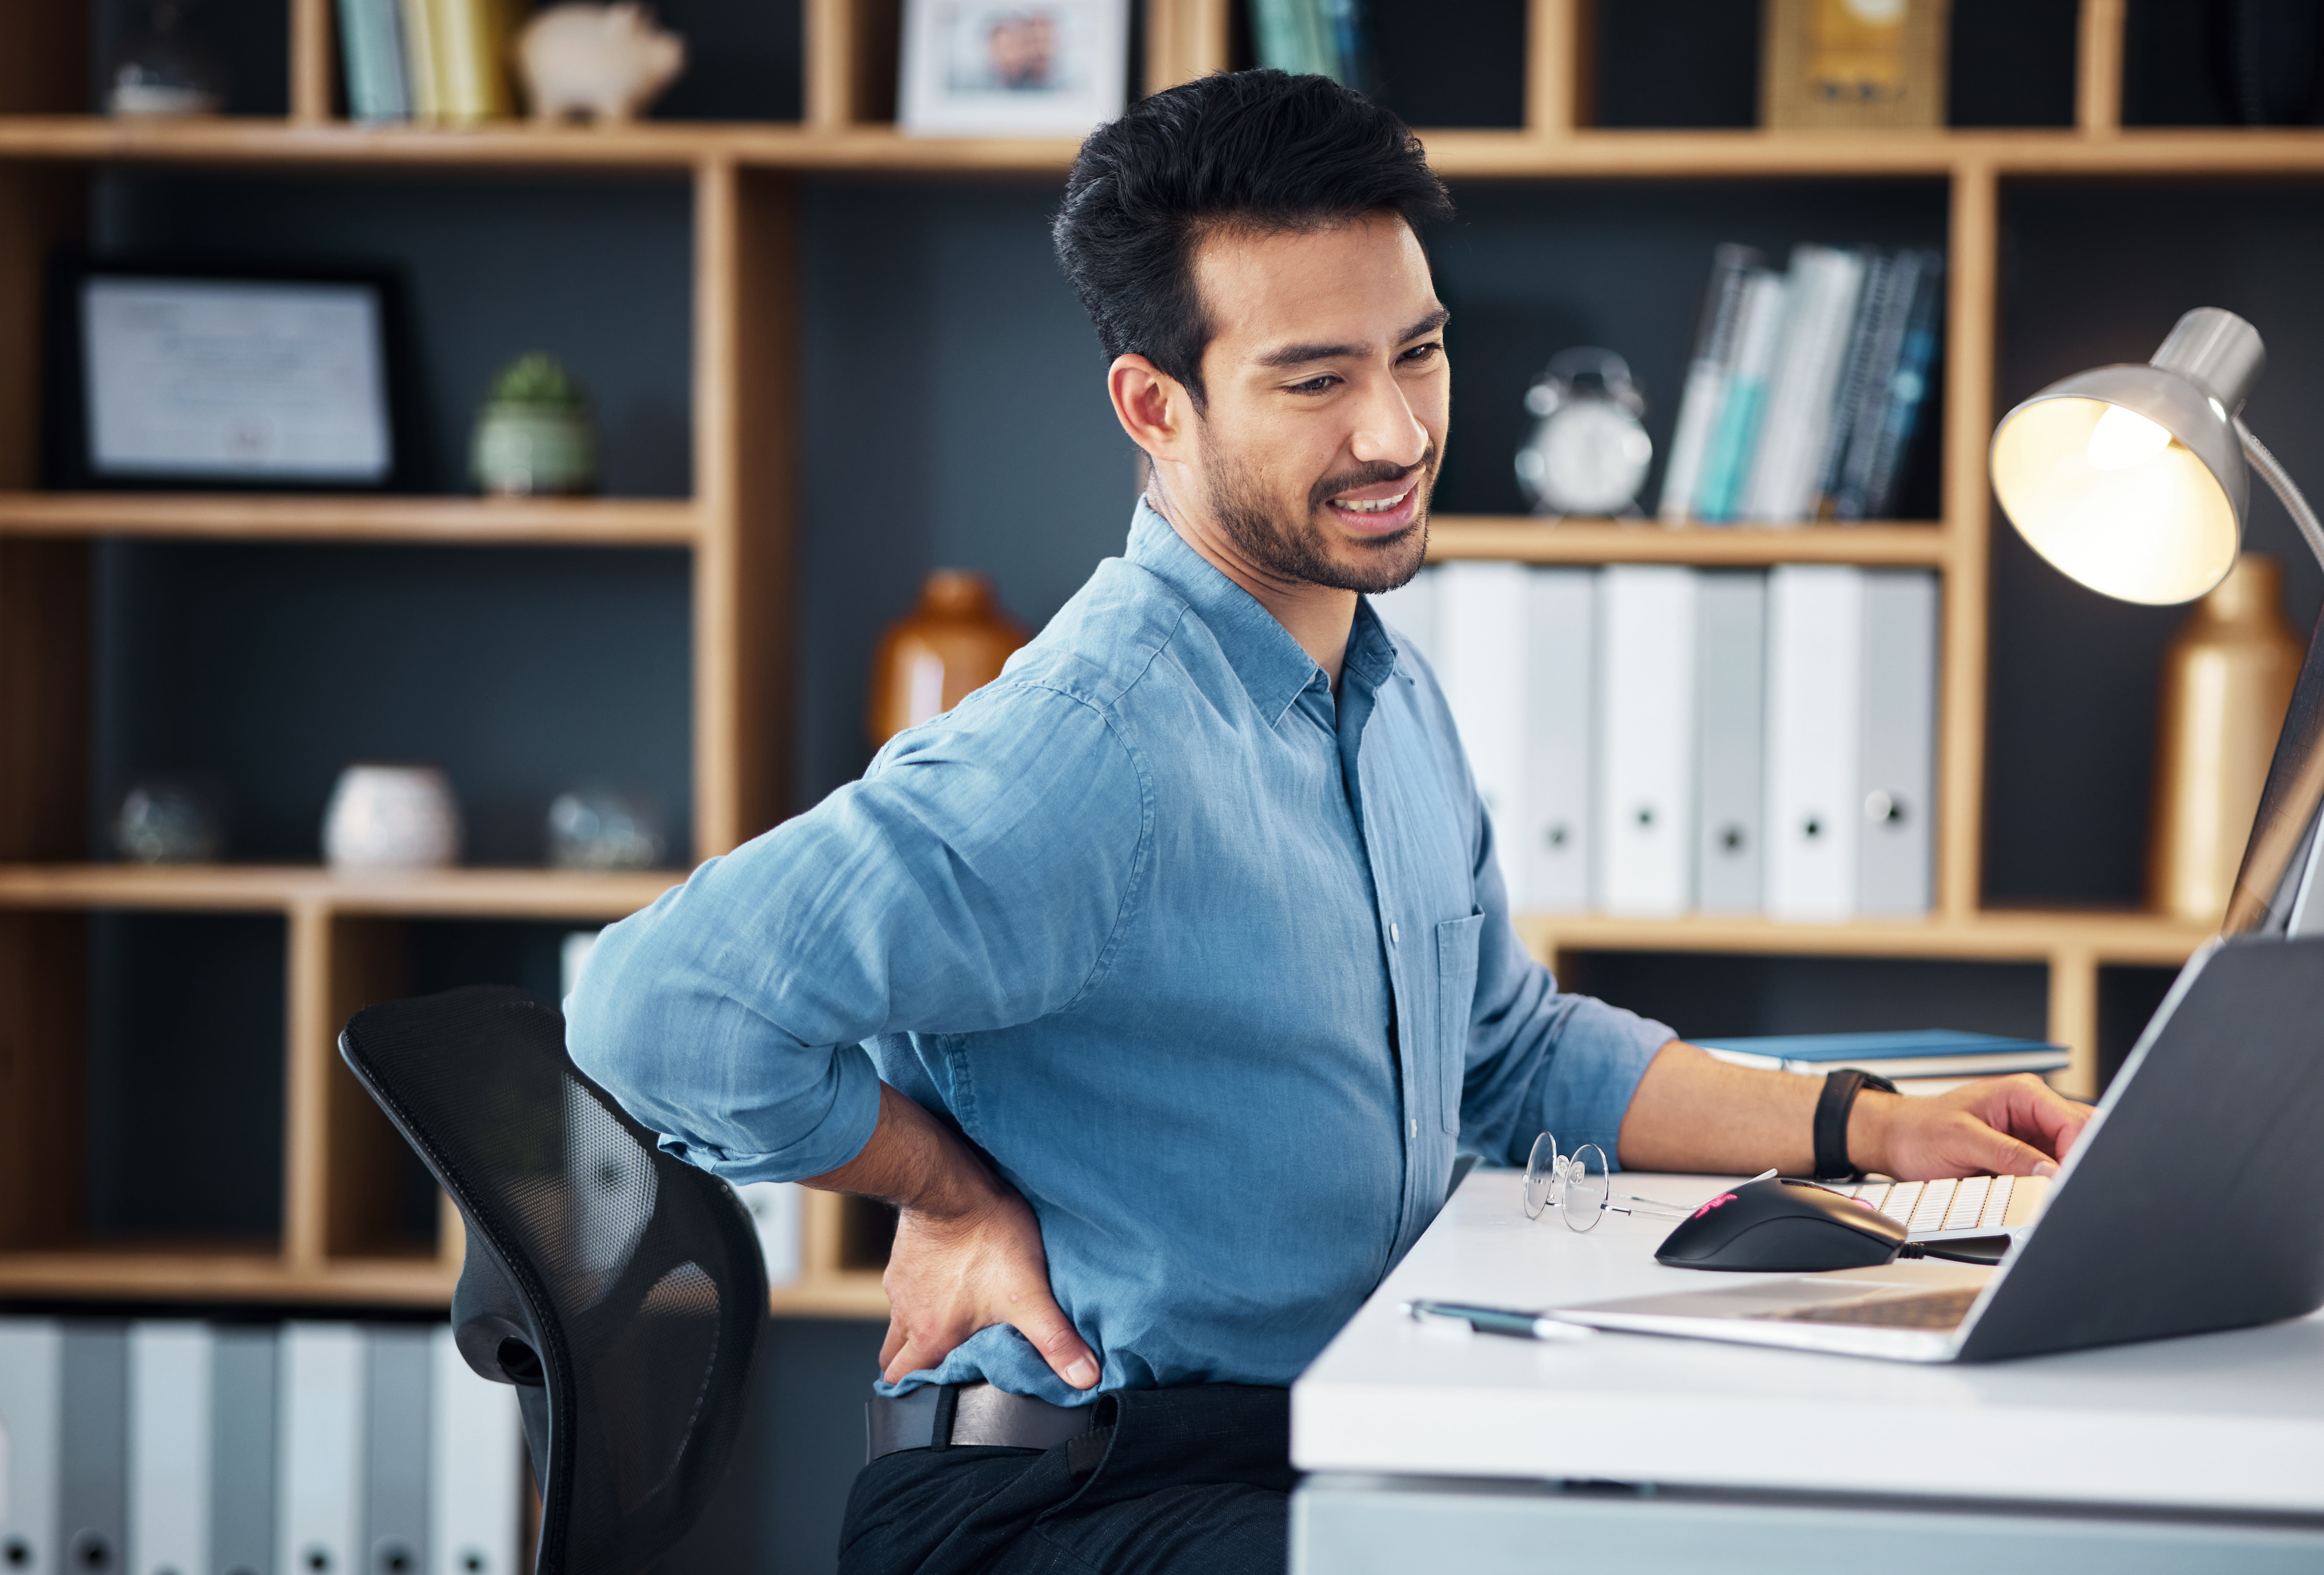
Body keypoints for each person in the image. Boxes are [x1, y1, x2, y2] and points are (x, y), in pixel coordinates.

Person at [566, 68, 2091, 1575]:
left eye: (1415, 354)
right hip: (1070, 1504)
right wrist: (942, 1185)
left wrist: (1873, 1128)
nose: (1394, 430)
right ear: (1154, 405)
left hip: (1313, 1438)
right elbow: (651, 1006)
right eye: (1313, 380)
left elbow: (1508, 1051)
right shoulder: (1089, 752)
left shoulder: (1379, 689)